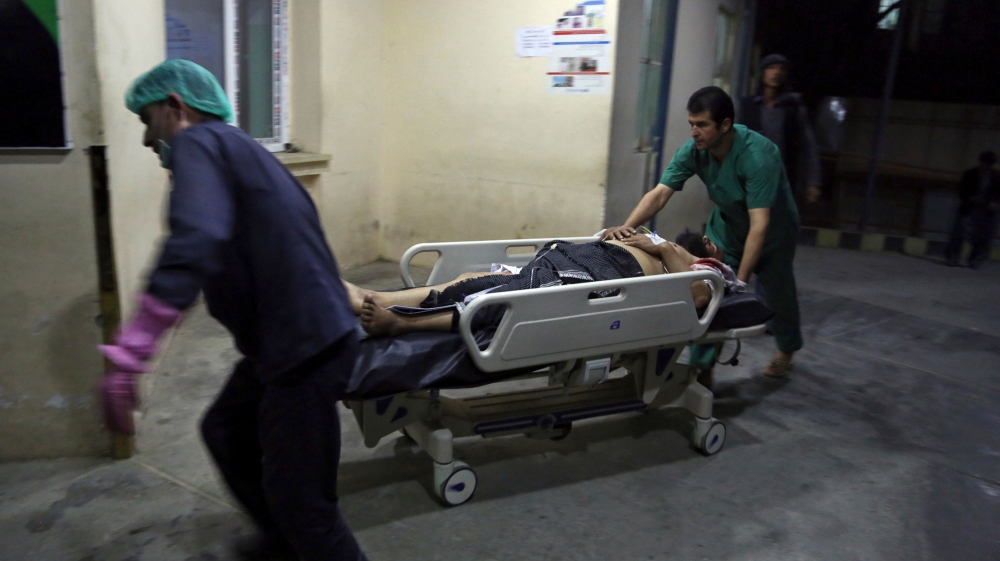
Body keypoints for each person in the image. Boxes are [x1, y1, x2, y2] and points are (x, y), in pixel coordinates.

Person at [97, 60, 366, 561]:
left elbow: (197, 238)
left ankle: (293, 538)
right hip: (285, 342)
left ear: (175, 107)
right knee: (225, 429)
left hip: (306, 349)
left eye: (146, 120)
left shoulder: (199, 143)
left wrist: (134, 349)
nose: (146, 138)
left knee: (306, 507)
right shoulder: (239, 147)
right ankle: (281, 545)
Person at [603, 86, 802, 378]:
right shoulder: (694, 151)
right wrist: (626, 226)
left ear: (725, 125)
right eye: (691, 124)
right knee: (707, 291)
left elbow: (759, 224)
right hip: (727, 229)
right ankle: (701, 366)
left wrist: (739, 282)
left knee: (779, 294)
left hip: (773, 233)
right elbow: (659, 194)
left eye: (702, 124)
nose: (694, 132)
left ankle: (787, 347)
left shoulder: (758, 156)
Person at [342, 237, 735, 337]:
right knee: (472, 281)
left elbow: (699, 295)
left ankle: (401, 323)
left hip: (602, 276)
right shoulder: (663, 243)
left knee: (504, 301)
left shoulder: (706, 269)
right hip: (579, 257)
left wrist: (664, 249)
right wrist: (619, 233)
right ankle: (375, 296)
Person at [739, 54, 822, 205]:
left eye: (781, 69)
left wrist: (813, 182)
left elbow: (809, 146)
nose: (776, 72)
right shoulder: (748, 106)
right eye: (771, 68)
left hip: (782, 179)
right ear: (763, 73)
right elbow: (734, 142)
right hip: (751, 177)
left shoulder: (793, 108)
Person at [945, 150, 1000, 269]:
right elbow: (961, 190)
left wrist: (994, 201)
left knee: (983, 236)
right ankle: (953, 257)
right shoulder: (970, 174)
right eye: (984, 163)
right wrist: (969, 198)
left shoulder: (996, 176)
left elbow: (997, 192)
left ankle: (975, 260)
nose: (985, 166)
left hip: (986, 211)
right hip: (968, 208)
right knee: (958, 233)